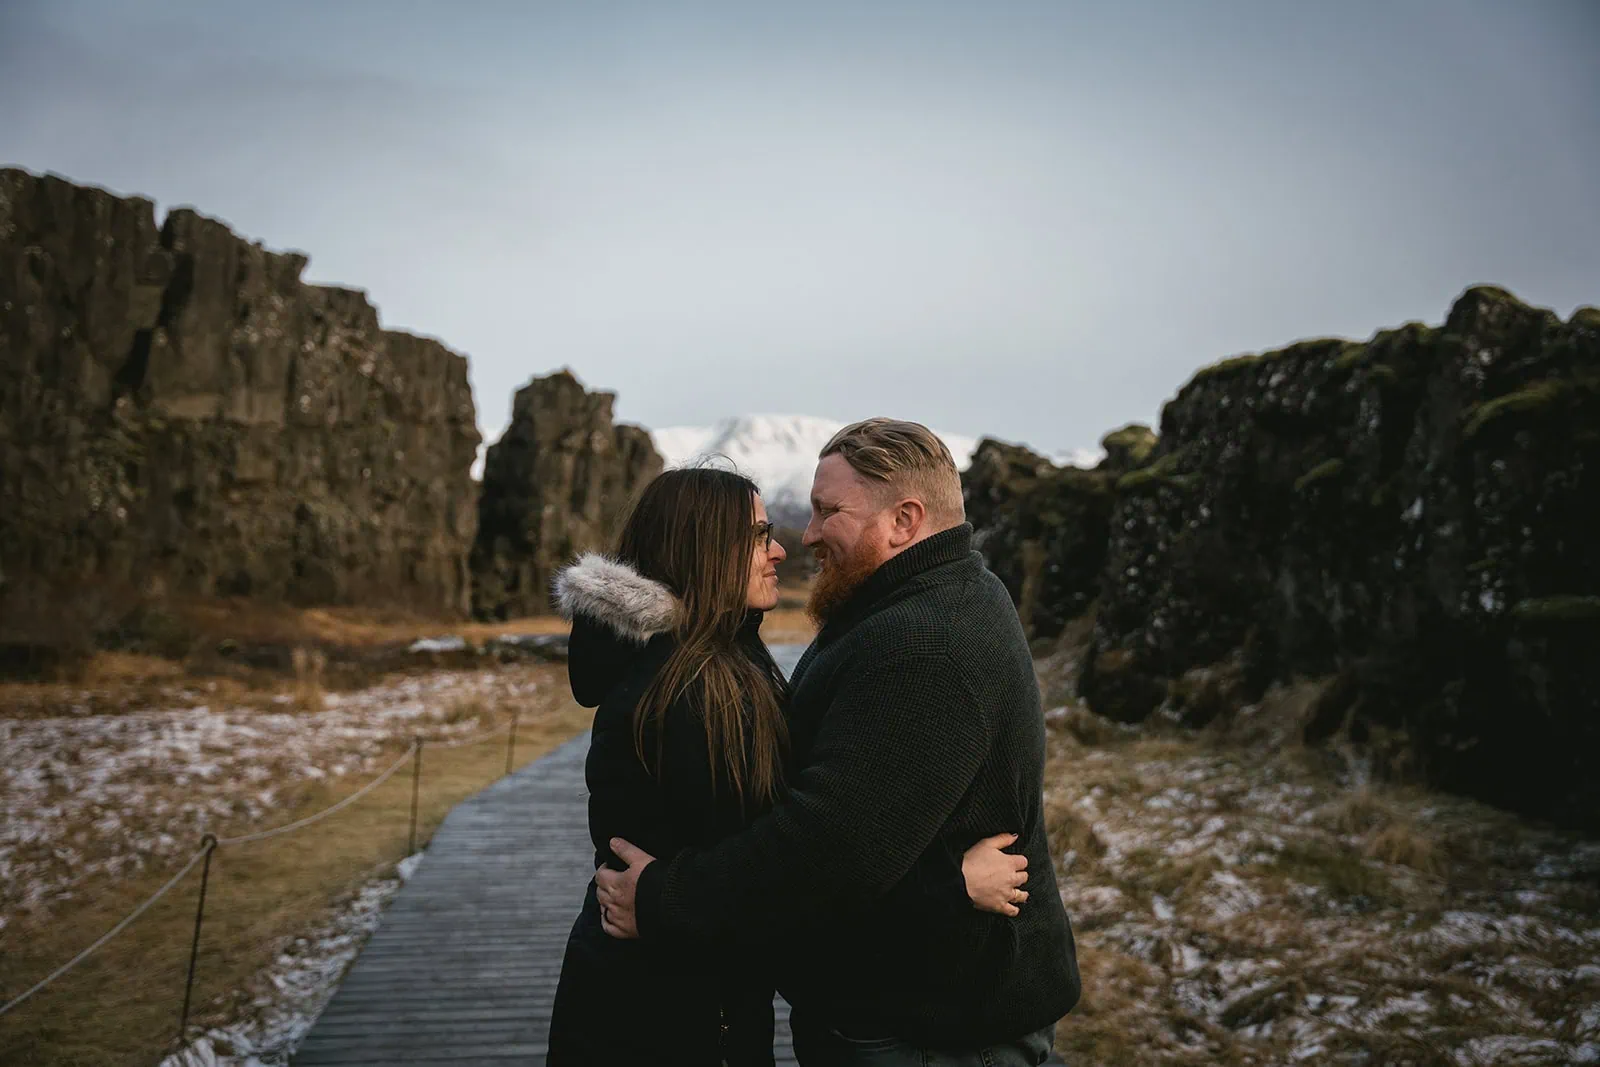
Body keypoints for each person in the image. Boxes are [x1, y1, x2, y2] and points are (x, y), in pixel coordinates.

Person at [595, 420, 1081, 1067]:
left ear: (904, 520)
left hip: (932, 1030)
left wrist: (663, 899)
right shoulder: (923, 595)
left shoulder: (923, 643)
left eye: (828, 512)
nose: (808, 534)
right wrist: (948, 883)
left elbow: (823, 851)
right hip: (914, 1009)